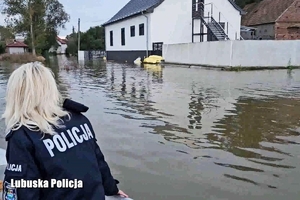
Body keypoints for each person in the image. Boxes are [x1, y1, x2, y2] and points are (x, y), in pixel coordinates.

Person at [2, 62, 129, 200]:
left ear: (15, 95)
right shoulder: (78, 118)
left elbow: (23, 190)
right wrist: (112, 188)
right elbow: (98, 161)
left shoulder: (23, 135)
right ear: (51, 89)